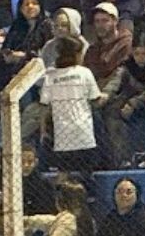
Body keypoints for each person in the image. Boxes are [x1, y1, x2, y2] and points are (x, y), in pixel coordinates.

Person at [38, 34, 102, 183]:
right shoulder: (84, 73)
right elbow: (95, 99)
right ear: (77, 54)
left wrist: (43, 130)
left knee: (63, 173)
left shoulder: (51, 76)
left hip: (62, 135)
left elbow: (44, 105)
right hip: (84, 133)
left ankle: (61, 201)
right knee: (86, 174)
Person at [102, 35, 145, 169]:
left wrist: (134, 103)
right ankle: (121, 157)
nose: (141, 58)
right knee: (111, 110)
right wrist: (105, 94)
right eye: (137, 54)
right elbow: (115, 82)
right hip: (128, 98)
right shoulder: (127, 66)